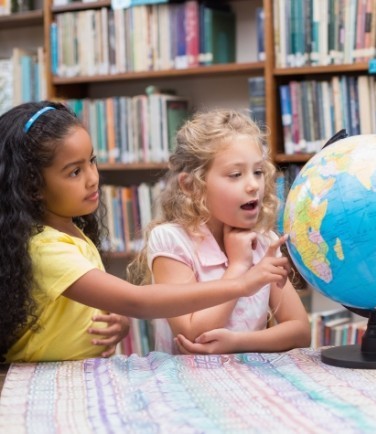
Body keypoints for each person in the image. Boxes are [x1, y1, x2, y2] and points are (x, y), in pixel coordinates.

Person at [0, 101, 290, 363]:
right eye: (75, 172)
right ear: (32, 186)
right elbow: (136, 301)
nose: (93, 179)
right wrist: (241, 283)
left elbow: (113, 306)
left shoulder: (72, 233)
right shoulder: (45, 247)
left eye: (91, 161)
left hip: (78, 372)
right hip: (37, 377)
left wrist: (120, 322)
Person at [128, 109, 311, 355]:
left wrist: (238, 343)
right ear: (192, 185)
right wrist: (237, 268)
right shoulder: (171, 241)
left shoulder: (264, 241)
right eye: (236, 175)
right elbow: (191, 335)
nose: (253, 185)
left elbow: (300, 331)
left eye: (258, 172)